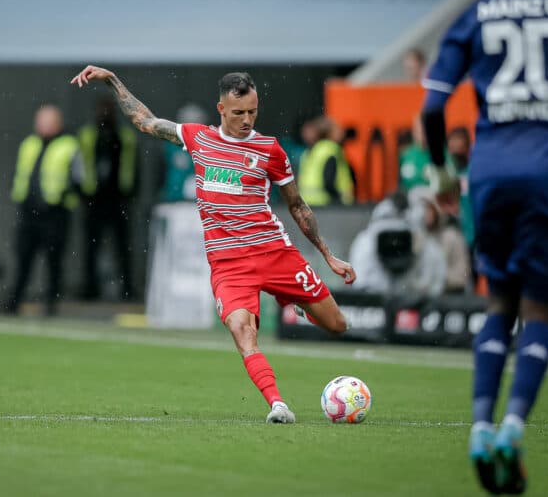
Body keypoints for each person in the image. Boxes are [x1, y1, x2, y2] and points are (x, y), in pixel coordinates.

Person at [71, 65, 356, 424]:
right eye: (239, 113)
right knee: (242, 330)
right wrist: (112, 81)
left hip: (273, 252)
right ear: (221, 109)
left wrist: (328, 257)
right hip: (230, 265)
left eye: (253, 111)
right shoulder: (198, 138)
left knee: (338, 326)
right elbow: (146, 121)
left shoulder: (270, 150)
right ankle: (278, 404)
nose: (247, 120)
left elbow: (297, 205)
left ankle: (288, 298)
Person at [421, 0, 548, 492]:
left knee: (499, 303)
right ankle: (513, 428)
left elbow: (433, 108)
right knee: (540, 309)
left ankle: (479, 428)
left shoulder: (475, 13)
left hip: (491, 174)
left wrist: (444, 175)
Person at [6, 104, 81, 316]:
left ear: (58, 123)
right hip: (29, 211)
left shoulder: (69, 145)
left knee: (54, 260)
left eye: (48, 121)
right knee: (23, 257)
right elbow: (20, 172)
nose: (43, 126)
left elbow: (79, 178)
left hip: (55, 212)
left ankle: (51, 304)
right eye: (40, 121)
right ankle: (14, 302)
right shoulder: (29, 144)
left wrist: (65, 195)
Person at [78, 96, 137, 300]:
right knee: (90, 247)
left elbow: (134, 167)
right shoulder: (87, 135)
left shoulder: (124, 136)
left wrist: (129, 193)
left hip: (118, 198)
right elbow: (79, 165)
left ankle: (127, 288)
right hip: (93, 199)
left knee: (122, 247)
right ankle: (89, 288)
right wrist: (83, 193)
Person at [298, 116, 355, 206]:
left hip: (308, 203)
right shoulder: (331, 149)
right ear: (330, 133)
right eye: (337, 129)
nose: (341, 132)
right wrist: (339, 199)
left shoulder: (310, 150)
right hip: (326, 204)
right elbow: (328, 181)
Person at [446, 126, 475, 251]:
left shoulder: (475, 172)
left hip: (475, 235)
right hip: (455, 237)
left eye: (459, 146)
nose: (455, 150)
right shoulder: (447, 173)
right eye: (452, 147)